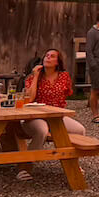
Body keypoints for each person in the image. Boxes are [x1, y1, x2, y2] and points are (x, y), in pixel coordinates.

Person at [17, 48, 86, 181]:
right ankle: (25, 167)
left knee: (80, 130)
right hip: (35, 115)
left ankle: (73, 163)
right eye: (46, 55)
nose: (47, 58)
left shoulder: (64, 76)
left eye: (52, 56)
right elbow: (29, 98)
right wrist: (36, 76)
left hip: (56, 116)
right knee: (42, 131)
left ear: (57, 62)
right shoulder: (33, 76)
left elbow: (66, 95)